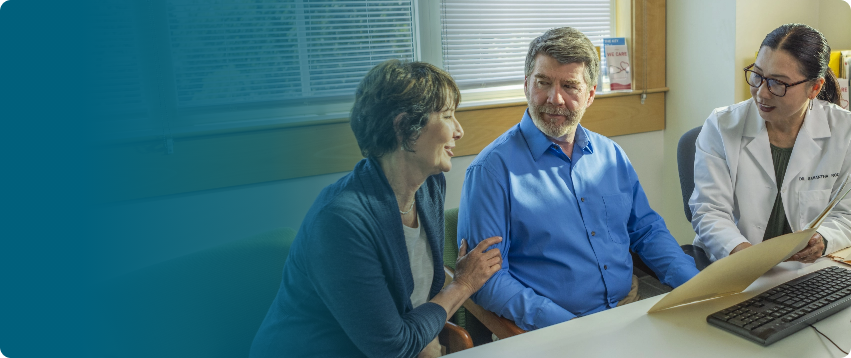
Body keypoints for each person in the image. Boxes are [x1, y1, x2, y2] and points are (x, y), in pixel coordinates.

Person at [250, 60, 503, 358]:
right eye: (447, 116)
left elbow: (415, 302)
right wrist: (462, 284)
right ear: (403, 126)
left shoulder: (430, 185)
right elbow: (392, 347)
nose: (459, 130)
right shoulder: (340, 222)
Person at [457, 27, 699, 332]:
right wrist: (568, 326)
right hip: (551, 330)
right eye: (543, 83)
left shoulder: (610, 155)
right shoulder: (491, 171)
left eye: (570, 86)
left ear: (590, 95)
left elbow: (647, 231)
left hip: (631, 309)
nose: (554, 98)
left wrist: (697, 285)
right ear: (526, 85)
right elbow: (487, 282)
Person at [691, 23, 851, 263]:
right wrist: (750, 259)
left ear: (814, 88)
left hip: (809, 269)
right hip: (737, 266)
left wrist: (823, 238)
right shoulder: (721, 126)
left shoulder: (844, 131)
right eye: (757, 75)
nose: (762, 93)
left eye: (778, 83)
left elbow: (846, 212)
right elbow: (709, 211)